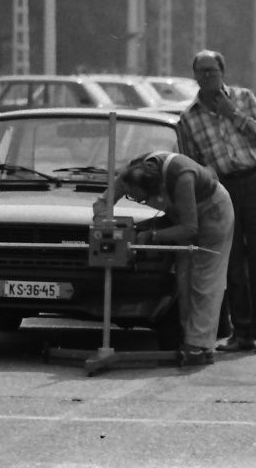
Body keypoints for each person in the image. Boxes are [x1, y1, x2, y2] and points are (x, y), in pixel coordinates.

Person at [178, 50, 256, 354]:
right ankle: (241, 331)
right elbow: (193, 161)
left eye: (213, 70)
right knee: (232, 262)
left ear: (223, 71)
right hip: (223, 188)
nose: (208, 76)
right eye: (202, 71)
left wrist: (232, 113)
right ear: (195, 75)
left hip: (255, 180)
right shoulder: (189, 117)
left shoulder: (243, 97)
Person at [94, 151, 234, 366]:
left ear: (157, 189)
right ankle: (193, 342)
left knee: (204, 281)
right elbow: (102, 204)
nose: (136, 200)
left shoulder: (182, 177)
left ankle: (197, 347)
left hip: (212, 212)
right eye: (130, 196)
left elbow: (189, 227)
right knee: (184, 280)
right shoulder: (130, 175)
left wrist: (151, 236)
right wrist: (109, 229)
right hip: (182, 216)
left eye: (140, 198)